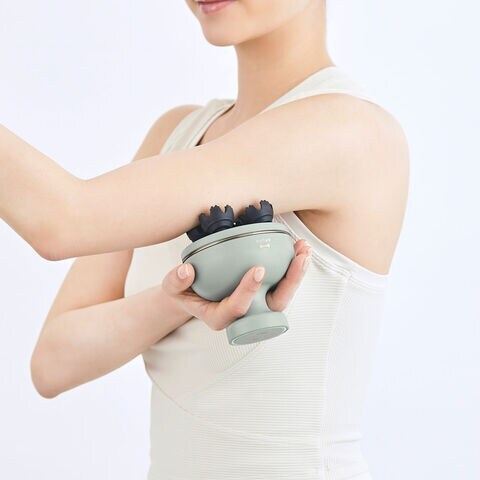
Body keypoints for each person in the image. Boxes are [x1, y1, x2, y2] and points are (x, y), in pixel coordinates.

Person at [0, 0, 409, 478]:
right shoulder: (175, 135)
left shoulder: (348, 129)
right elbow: (53, 363)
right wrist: (177, 300)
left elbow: (63, 220)